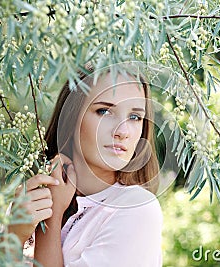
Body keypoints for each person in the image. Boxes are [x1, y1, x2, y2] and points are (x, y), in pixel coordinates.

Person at [8, 64, 163, 267]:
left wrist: (51, 219)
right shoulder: (28, 202)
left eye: (134, 117)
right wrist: (11, 238)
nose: (123, 131)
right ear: (72, 117)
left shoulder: (136, 209)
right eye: (105, 111)